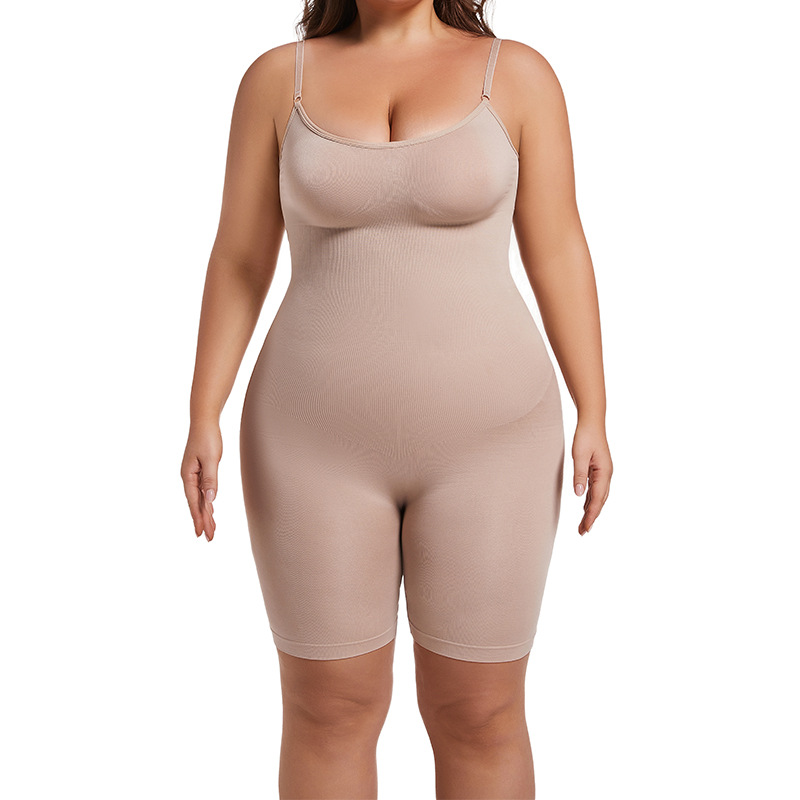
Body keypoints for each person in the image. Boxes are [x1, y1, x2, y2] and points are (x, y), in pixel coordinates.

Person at [181, 1, 612, 797]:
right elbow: (239, 255)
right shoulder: (277, 80)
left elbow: (557, 244)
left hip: (495, 443)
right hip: (309, 442)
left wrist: (595, 407)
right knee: (327, 709)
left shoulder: (517, 75)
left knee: (481, 712)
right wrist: (202, 410)